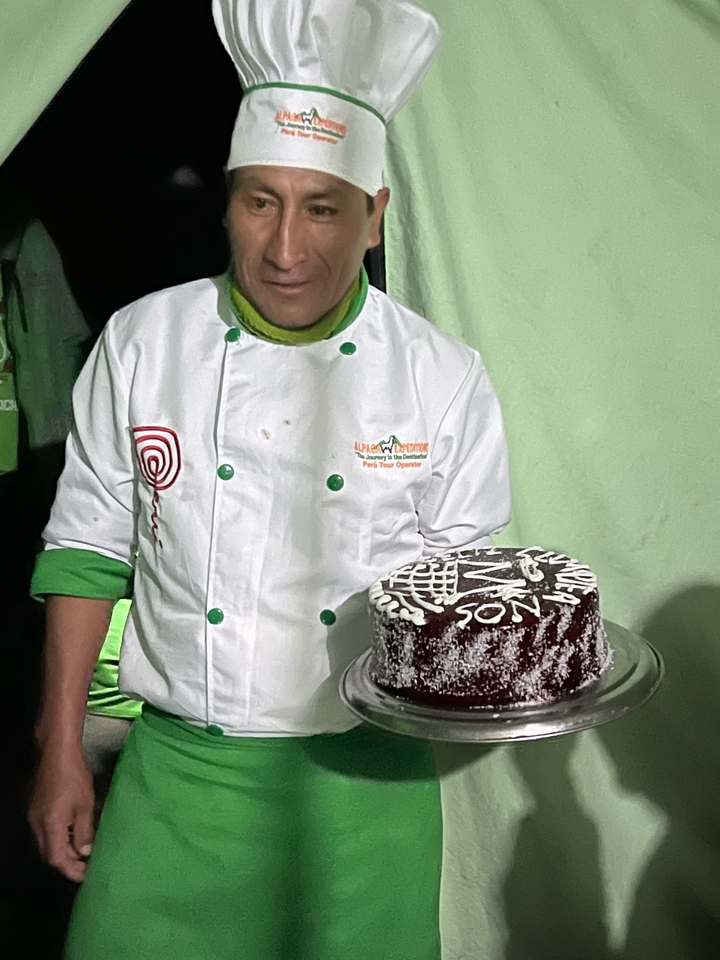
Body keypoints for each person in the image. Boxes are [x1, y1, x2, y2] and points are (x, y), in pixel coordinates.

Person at [28, 1, 511, 957]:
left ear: (374, 218)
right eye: (261, 201)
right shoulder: (143, 343)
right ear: (227, 202)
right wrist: (59, 747)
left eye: (323, 207)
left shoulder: (442, 377)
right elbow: (87, 551)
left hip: (366, 796)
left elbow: (464, 595)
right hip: (178, 781)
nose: (286, 249)